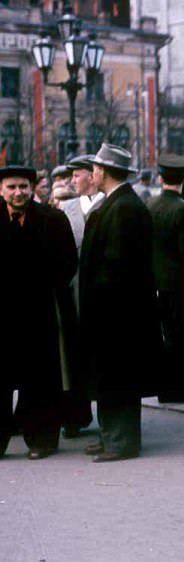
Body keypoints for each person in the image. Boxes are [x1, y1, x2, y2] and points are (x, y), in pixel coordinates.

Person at [80, 143, 163, 462]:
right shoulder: (120, 204)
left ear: (102, 171)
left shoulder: (124, 207)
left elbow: (115, 268)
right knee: (110, 376)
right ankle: (111, 436)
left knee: (118, 377)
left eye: (95, 169)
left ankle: (121, 441)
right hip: (116, 312)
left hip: (117, 314)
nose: (92, 174)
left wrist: (97, 308)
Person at [0, 165, 77, 460]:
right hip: (2, 315)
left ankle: (42, 440)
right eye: (12, 187)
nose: (18, 192)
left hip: (40, 311)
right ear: (2, 190)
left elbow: (69, 263)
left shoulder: (52, 220)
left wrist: (43, 285)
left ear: (32, 188)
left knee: (41, 380)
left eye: (23, 186)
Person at [148, 154, 184, 404]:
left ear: (161, 178)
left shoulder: (149, 205)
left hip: (157, 281)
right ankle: (182, 389)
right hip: (183, 283)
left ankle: (164, 386)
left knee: (165, 337)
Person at [59, 154, 101, 438]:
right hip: (72, 290)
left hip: (100, 288)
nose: (72, 180)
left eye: (77, 174)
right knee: (73, 352)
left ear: (91, 175)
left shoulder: (108, 204)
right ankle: (75, 414)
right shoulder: (66, 207)